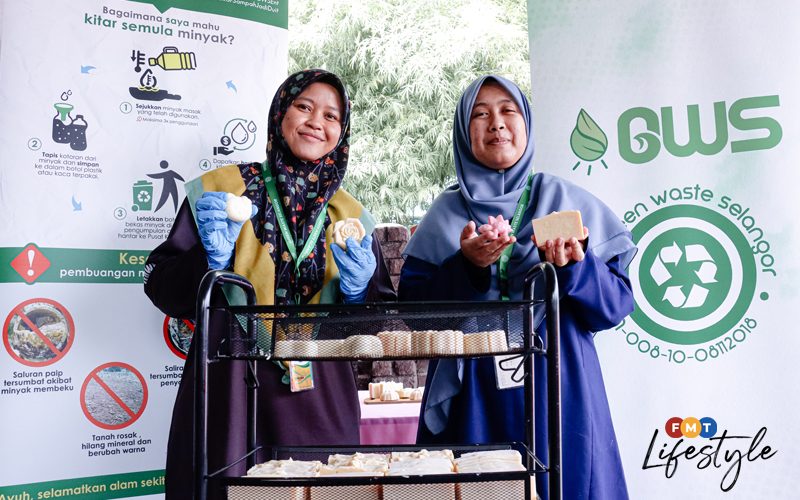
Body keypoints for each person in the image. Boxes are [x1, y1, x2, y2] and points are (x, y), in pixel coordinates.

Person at [144, 70, 396, 500]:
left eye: (332, 116)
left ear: (343, 132)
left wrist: (358, 292)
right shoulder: (223, 192)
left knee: (325, 491)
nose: (316, 121)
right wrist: (210, 260)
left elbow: (374, 328)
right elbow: (161, 288)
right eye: (304, 106)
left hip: (321, 401)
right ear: (280, 114)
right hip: (231, 397)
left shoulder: (352, 217)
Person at [399, 75, 637, 500]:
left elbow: (616, 307)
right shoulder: (446, 214)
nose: (496, 123)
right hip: (473, 394)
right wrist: (468, 267)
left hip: (560, 386)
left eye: (508, 110)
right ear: (463, 132)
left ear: (526, 123)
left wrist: (574, 267)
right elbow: (416, 315)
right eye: (480, 114)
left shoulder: (566, 202)